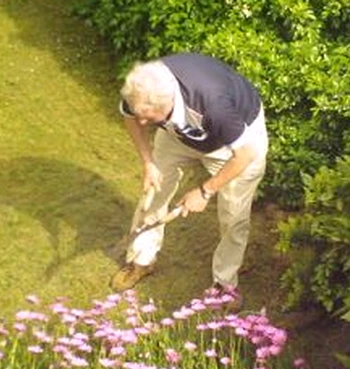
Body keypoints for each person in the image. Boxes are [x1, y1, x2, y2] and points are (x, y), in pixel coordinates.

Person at [110, 52, 269, 311]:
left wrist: (205, 191)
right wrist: (148, 163)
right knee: (153, 192)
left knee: (233, 215)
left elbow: (245, 155)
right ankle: (141, 260)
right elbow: (130, 117)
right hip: (178, 135)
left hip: (235, 145)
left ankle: (224, 284)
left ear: (167, 104)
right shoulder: (141, 92)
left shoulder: (214, 105)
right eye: (140, 114)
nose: (142, 122)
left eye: (147, 117)